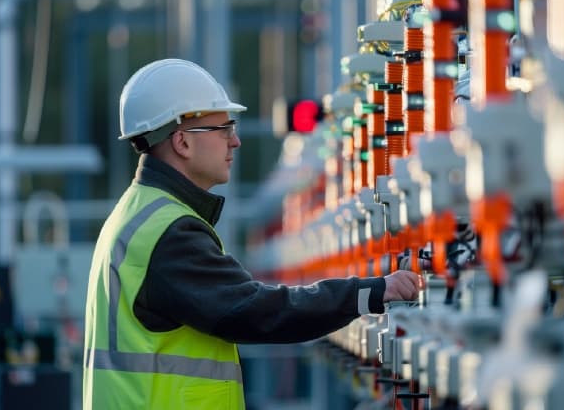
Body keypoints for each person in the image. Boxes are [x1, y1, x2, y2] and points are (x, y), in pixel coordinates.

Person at [82, 58, 421, 409]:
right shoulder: (169, 231)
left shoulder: (139, 213)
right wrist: (367, 293)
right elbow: (255, 311)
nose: (236, 142)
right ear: (182, 142)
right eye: (224, 129)